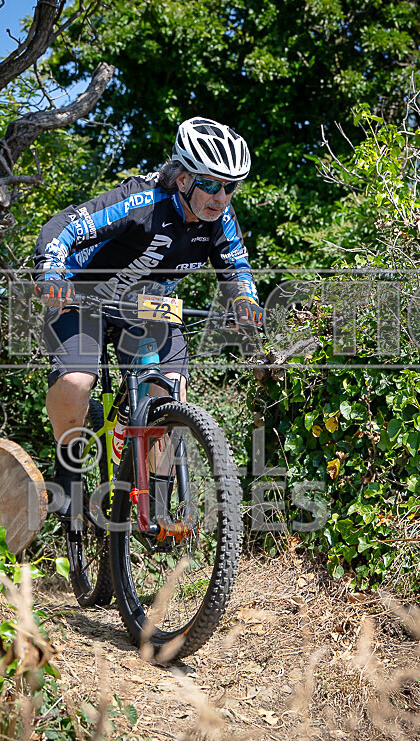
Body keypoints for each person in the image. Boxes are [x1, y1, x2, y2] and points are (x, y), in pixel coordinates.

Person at [33, 116, 263, 516]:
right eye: (210, 183)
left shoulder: (220, 218)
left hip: (148, 308)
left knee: (172, 393)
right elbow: (65, 226)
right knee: (75, 382)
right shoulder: (141, 201)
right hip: (86, 298)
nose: (221, 197)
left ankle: (153, 506)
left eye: (230, 187)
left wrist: (244, 301)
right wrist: (51, 273)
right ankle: (68, 464)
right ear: (183, 179)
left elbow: (236, 268)